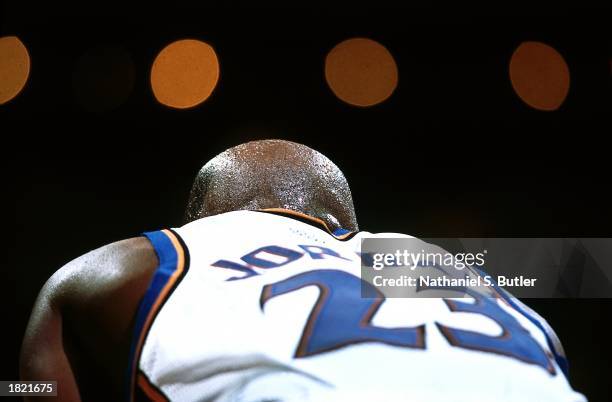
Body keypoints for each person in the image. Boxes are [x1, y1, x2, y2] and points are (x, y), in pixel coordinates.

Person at [21, 140, 585, 402]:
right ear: (346, 223)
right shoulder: (434, 261)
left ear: (198, 219)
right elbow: (579, 269)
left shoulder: (140, 260)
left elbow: (37, 386)